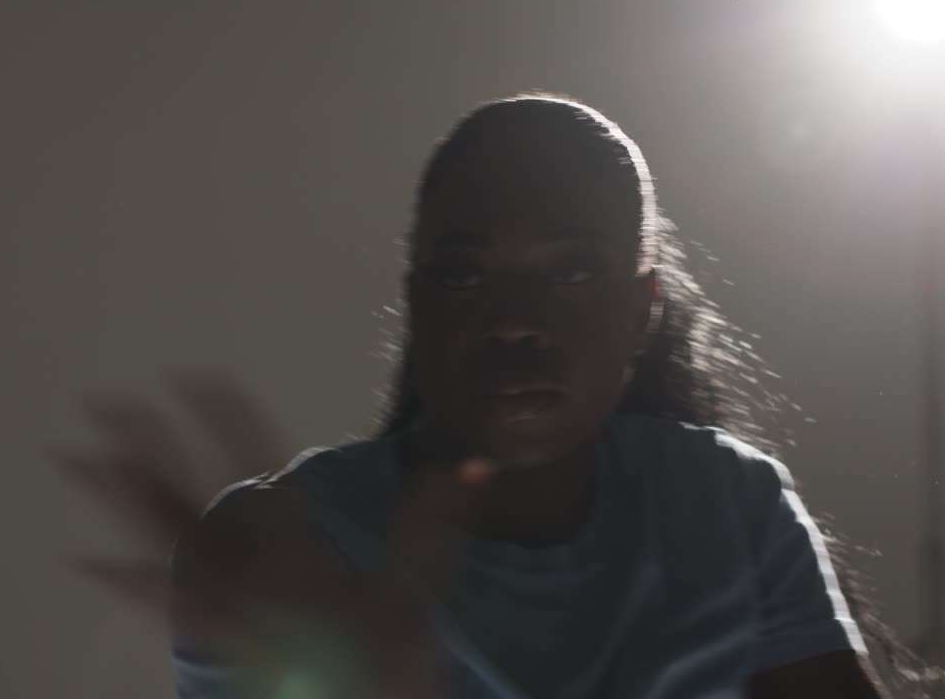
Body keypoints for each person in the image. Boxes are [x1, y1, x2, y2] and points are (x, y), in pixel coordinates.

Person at [68, 94, 899, 698]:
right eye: (466, 275)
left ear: (642, 309)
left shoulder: (734, 505)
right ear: (419, 301)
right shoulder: (281, 549)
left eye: (573, 271)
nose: (515, 323)